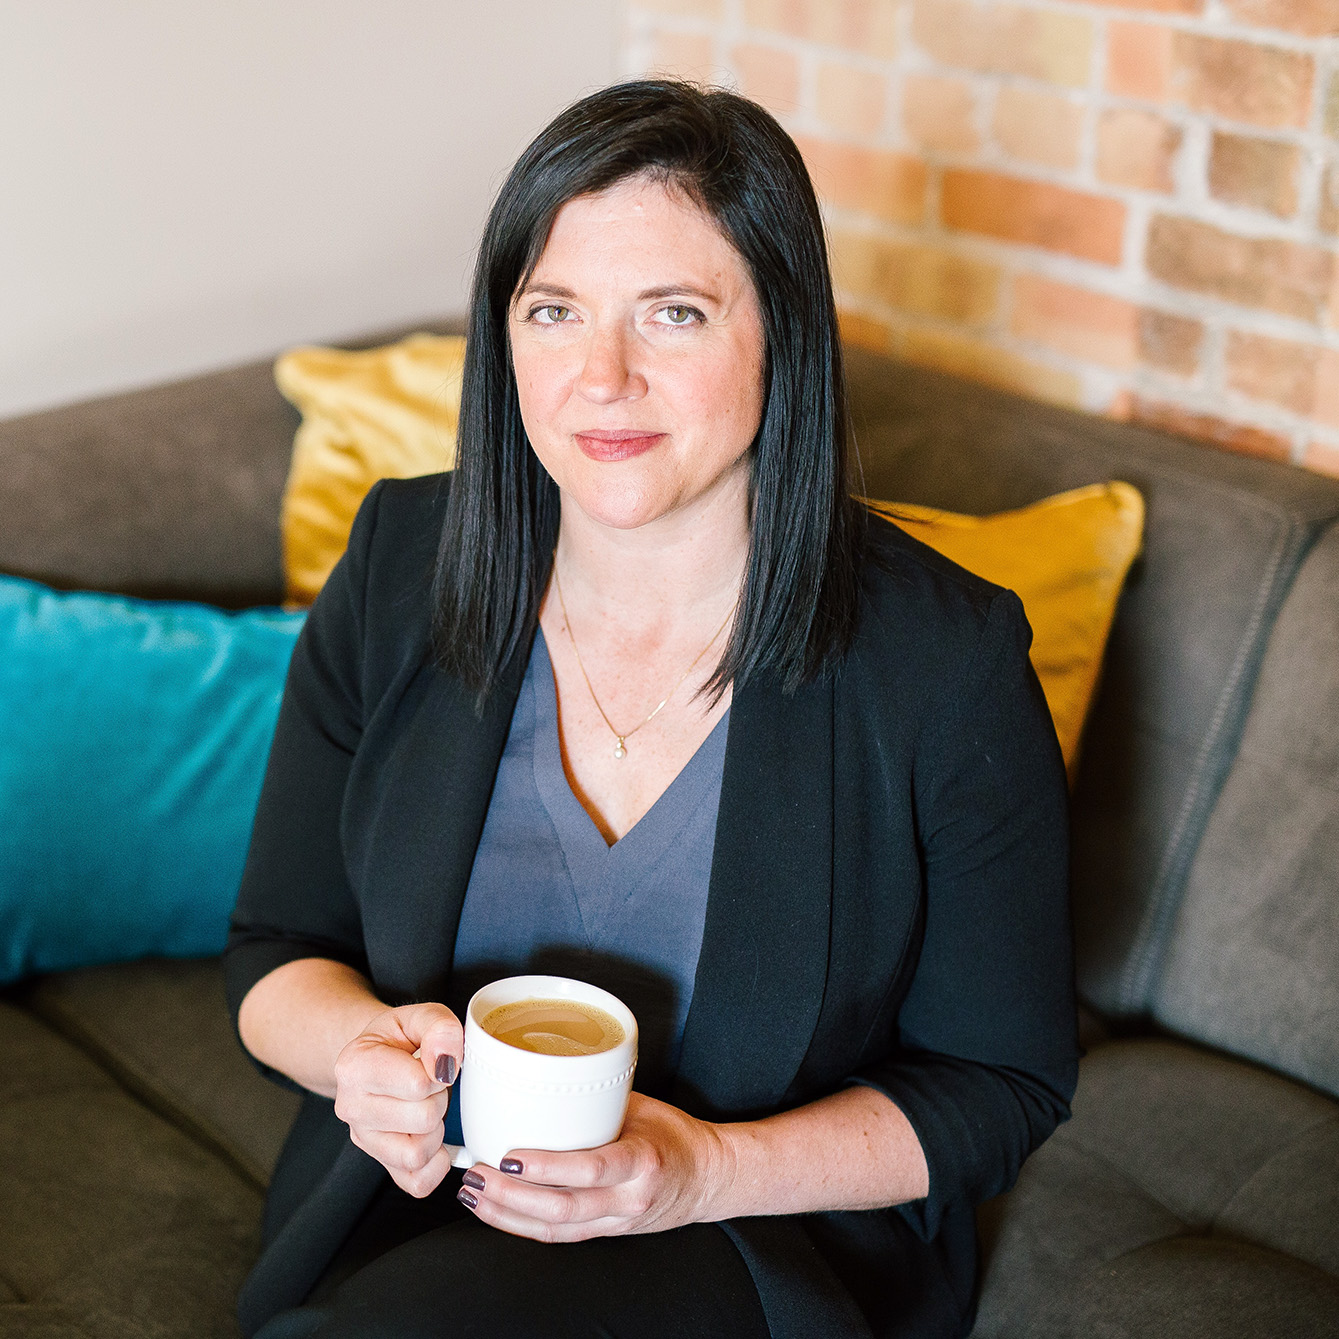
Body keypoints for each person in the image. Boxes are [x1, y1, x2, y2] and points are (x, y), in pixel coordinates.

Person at [226, 79, 1078, 1339]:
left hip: (750, 1237)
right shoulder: (403, 560)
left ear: (781, 331)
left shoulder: (943, 658)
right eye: (554, 311)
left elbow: (999, 1085)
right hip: (407, 1204)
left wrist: (697, 1172)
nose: (601, 376)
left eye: (673, 314)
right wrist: (361, 1057)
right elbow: (271, 951)